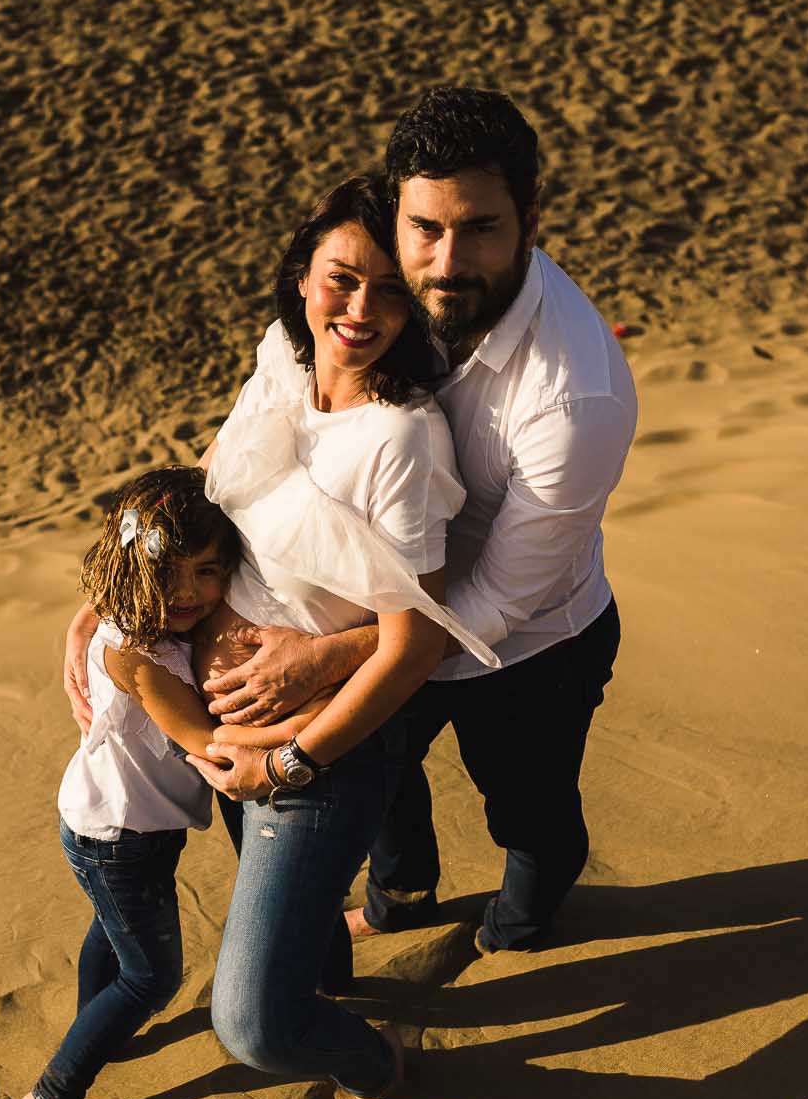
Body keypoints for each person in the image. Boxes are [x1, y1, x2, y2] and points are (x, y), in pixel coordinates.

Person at [62, 174, 496, 1099]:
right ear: (301, 278)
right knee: (305, 945)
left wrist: (289, 761)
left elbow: (414, 644)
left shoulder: (403, 443)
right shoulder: (280, 366)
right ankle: (331, 981)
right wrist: (104, 603)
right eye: (342, 278)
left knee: (253, 1021)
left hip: (318, 753)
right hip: (229, 735)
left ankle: (382, 1062)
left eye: (389, 288)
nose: (362, 307)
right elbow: (199, 490)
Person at [204, 86, 637, 954]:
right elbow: (266, 421)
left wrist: (336, 655)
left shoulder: (575, 397)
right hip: (389, 620)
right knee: (385, 784)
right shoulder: (373, 295)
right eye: (426, 229)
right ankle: (404, 896)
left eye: (481, 228)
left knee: (528, 808)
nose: (446, 263)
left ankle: (524, 916)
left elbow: (489, 607)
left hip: (526, 649)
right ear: (395, 212)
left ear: (531, 220)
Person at [15, 467, 244, 1099]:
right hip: (119, 836)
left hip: (113, 823)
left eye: (208, 571)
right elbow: (204, 741)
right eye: (169, 573)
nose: (190, 593)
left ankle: (100, 1025)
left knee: (110, 932)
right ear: (131, 567)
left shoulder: (138, 623)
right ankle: (51, 1097)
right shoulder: (134, 654)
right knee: (152, 974)